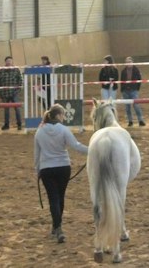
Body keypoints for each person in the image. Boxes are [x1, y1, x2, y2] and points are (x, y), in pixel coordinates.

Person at [33, 104, 88, 244]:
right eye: (63, 115)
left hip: (47, 169)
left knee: (53, 198)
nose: (64, 118)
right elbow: (76, 146)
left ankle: (57, 226)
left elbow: (36, 155)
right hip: (63, 167)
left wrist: (38, 170)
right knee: (60, 197)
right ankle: (57, 227)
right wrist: (93, 149)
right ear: (58, 115)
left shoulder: (39, 131)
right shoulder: (64, 130)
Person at [0, 56, 23, 131]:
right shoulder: (1, 71)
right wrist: (0, 91)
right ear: (5, 62)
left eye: (10, 61)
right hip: (4, 93)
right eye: (7, 61)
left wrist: (17, 90)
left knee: (17, 109)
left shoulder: (16, 70)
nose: (9, 62)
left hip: (14, 93)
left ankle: (19, 124)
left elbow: (20, 80)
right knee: (6, 110)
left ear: (12, 62)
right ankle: (6, 125)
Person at [119, 56, 145, 127]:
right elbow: (122, 81)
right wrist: (122, 90)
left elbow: (139, 80)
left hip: (134, 90)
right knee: (127, 107)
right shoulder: (123, 71)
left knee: (136, 106)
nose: (128, 63)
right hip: (125, 91)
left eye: (130, 62)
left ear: (132, 62)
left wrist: (137, 88)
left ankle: (140, 120)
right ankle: (130, 121)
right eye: (127, 62)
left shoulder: (137, 70)